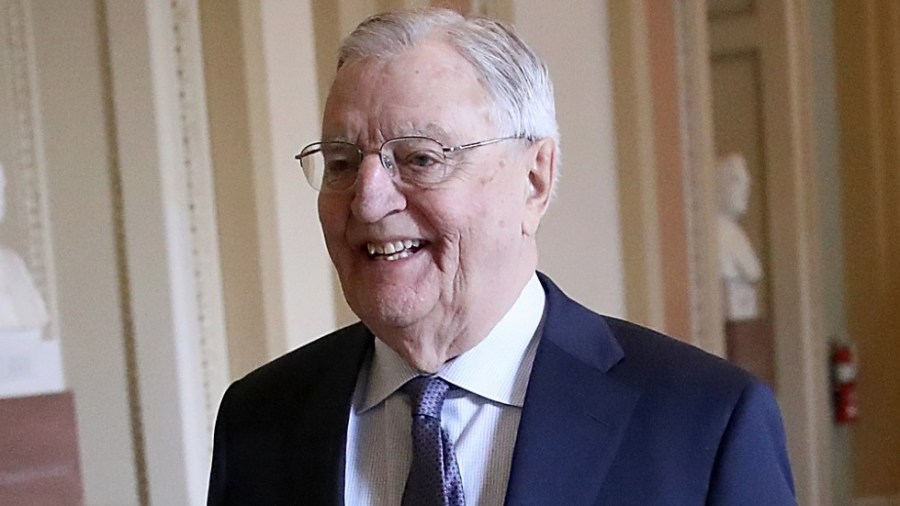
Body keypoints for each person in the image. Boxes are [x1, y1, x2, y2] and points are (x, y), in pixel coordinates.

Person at [208, 8, 796, 505]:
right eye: (340, 162)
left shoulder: (705, 422)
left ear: (534, 180)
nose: (367, 199)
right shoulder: (260, 420)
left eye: (420, 158)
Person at [717, 152, 764, 321]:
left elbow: (753, 272)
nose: (744, 189)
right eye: (736, 181)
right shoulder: (715, 237)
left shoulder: (738, 235)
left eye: (746, 182)